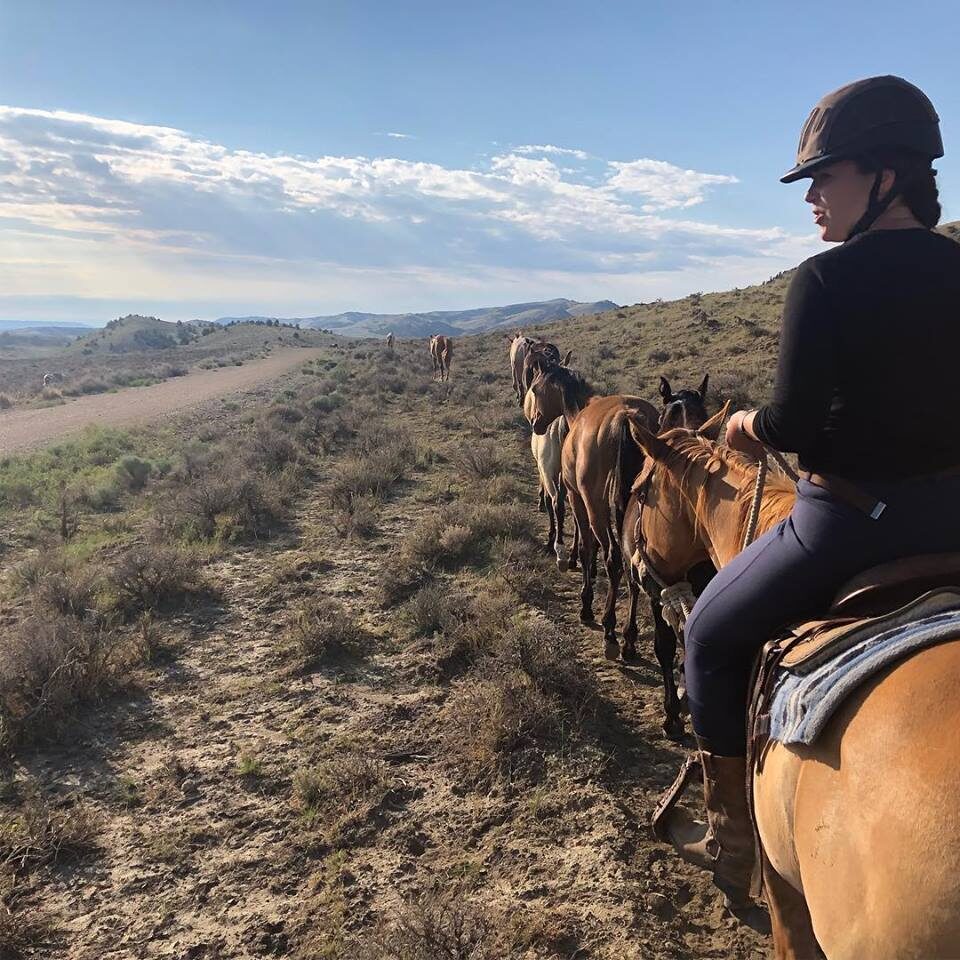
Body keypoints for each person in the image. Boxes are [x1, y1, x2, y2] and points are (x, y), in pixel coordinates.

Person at [656, 75, 960, 913]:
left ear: (886, 177)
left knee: (711, 634)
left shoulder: (823, 282)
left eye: (826, 177)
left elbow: (791, 420)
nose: (813, 198)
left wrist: (750, 423)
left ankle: (733, 836)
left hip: (847, 525)